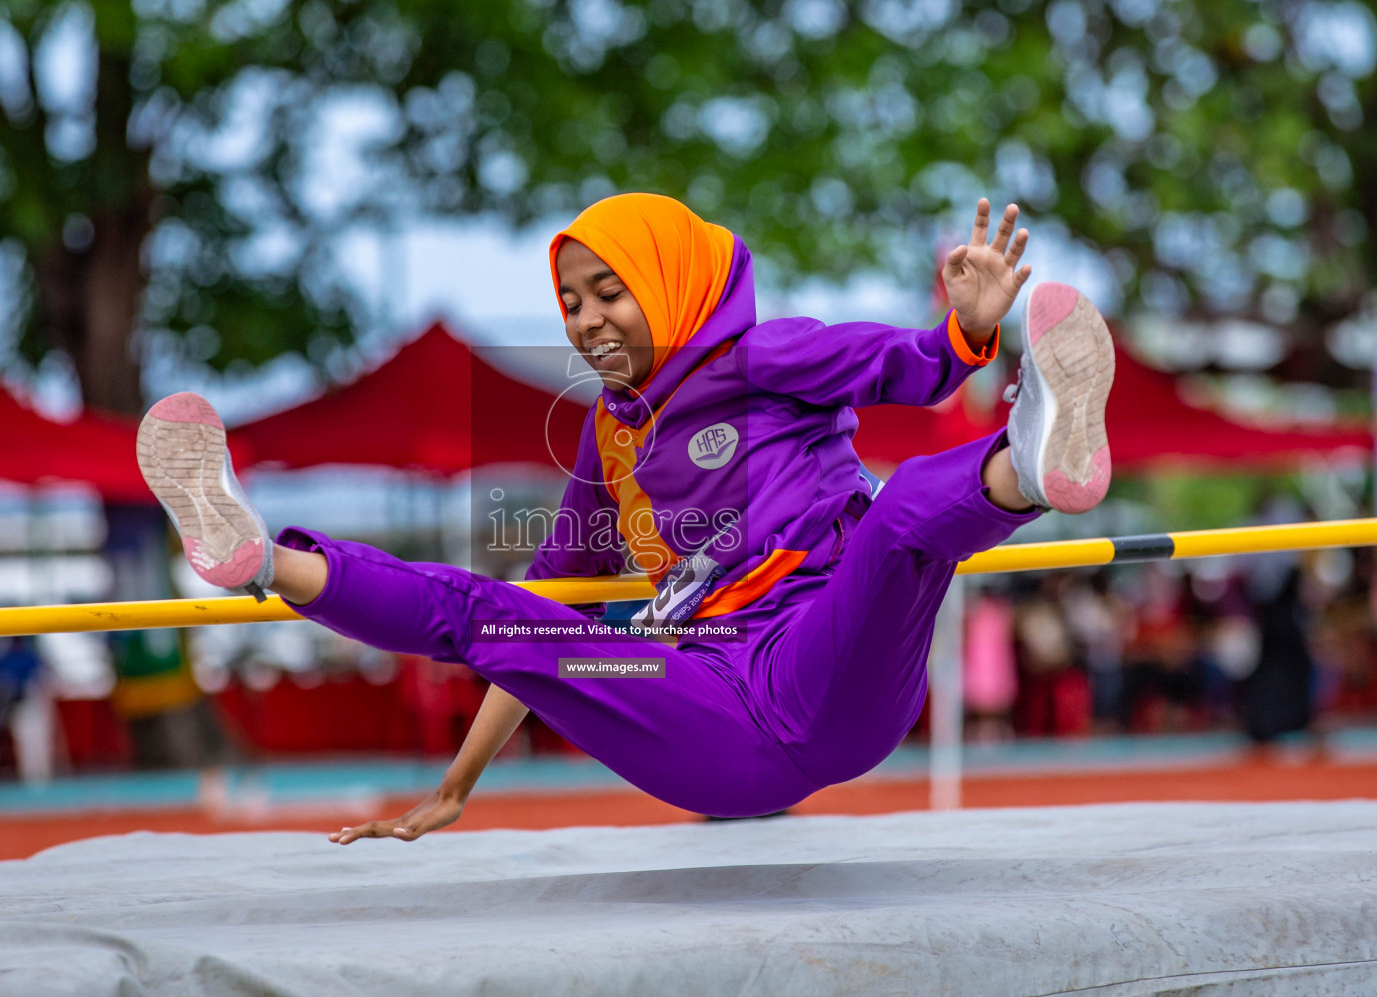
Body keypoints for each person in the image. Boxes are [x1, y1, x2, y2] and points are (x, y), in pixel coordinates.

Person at [135, 192, 1115, 843]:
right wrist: (456, 786)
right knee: (497, 614)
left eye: (611, 292)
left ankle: (1027, 465)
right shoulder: (610, 437)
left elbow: (911, 363)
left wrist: (972, 328)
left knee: (902, 512)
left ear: (672, 284)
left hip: (829, 651)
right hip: (713, 706)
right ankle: (257, 554)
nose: (588, 319)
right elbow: (528, 626)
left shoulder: (764, 358)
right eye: (570, 302)